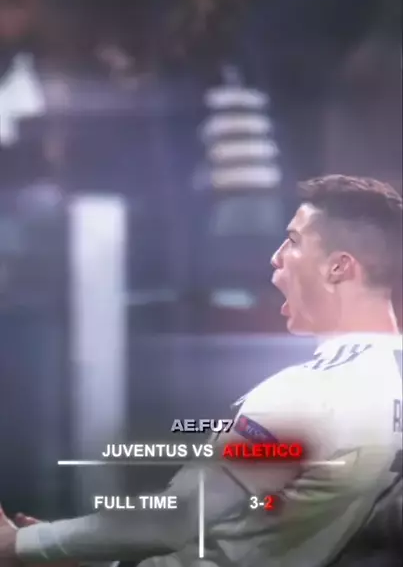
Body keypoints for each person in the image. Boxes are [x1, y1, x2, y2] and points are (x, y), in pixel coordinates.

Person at [0, 175, 402, 566]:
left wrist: (24, 544)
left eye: (293, 241)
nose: (276, 257)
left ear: (338, 268)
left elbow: (175, 520)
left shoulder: (310, 395)